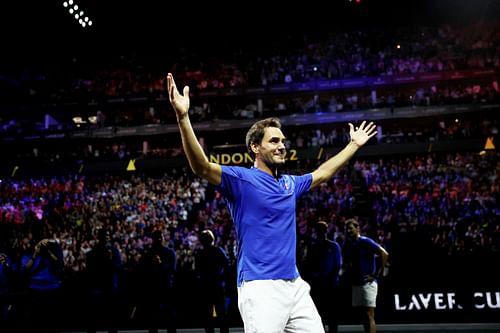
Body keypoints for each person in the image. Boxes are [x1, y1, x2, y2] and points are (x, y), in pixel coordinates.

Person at [167, 72, 377, 333]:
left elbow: (323, 173)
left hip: (296, 286)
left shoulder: (290, 183)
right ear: (255, 147)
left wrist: (353, 145)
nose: (282, 146)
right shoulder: (241, 179)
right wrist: (183, 118)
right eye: (274, 141)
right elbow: (201, 167)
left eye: (283, 141)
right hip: (260, 287)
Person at [342, 219, 389, 333]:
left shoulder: (365, 241)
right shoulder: (349, 245)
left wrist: (377, 274)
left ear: (358, 229)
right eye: (347, 229)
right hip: (356, 283)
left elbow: (384, 253)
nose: (348, 231)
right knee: (363, 316)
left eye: (351, 228)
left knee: (369, 315)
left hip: (367, 284)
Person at [305, 221, 343, 333]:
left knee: (332, 314)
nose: (321, 231)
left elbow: (338, 265)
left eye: (324, 228)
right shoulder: (312, 247)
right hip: (318, 286)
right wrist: (315, 277)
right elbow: (308, 265)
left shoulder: (334, 246)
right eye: (319, 229)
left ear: (326, 230)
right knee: (319, 313)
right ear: (316, 231)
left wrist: (331, 280)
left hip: (331, 286)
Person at [21, 238, 64, 332]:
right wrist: (35, 254)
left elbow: (59, 263)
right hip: (35, 290)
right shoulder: (28, 253)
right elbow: (25, 269)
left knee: (52, 320)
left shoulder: (52, 252)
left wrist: (48, 252)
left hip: (52, 289)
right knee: (36, 320)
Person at [139, 229, 177, 333]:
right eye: (157, 237)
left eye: (161, 237)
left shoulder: (170, 253)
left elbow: (172, 270)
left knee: (169, 316)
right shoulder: (147, 254)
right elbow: (143, 271)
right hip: (153, 289)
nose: (159, 239)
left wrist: (160, 264)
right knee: (152, 318)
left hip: (166, 288)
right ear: (153, 239)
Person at [194, 229, 230, 333]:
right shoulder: (218, 251)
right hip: (217, 286)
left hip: (205, 287)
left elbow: (197, 272)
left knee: (208, 316)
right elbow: (227, 266)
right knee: (221, 314)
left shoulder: (199, 254)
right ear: (212, 239)